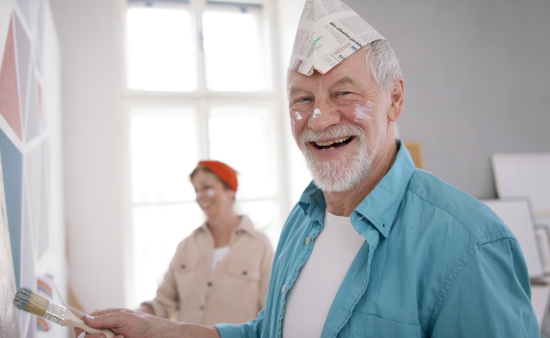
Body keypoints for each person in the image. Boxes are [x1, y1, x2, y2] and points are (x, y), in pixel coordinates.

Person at [76, 1, 539, 337]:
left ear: (394, 98)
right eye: (303, 98)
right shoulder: (303, 221)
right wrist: (159, 330)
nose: (318, 119)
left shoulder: (469, 245)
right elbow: (270, 333)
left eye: (344, 92)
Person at [135, 160, 274, 326]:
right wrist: (134, 315)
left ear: (229, 191)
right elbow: (163, 302)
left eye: (206, 187)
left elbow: (270, 311)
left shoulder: (259, 245)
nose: (200, 196)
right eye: (196, 190)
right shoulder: (186, 245)